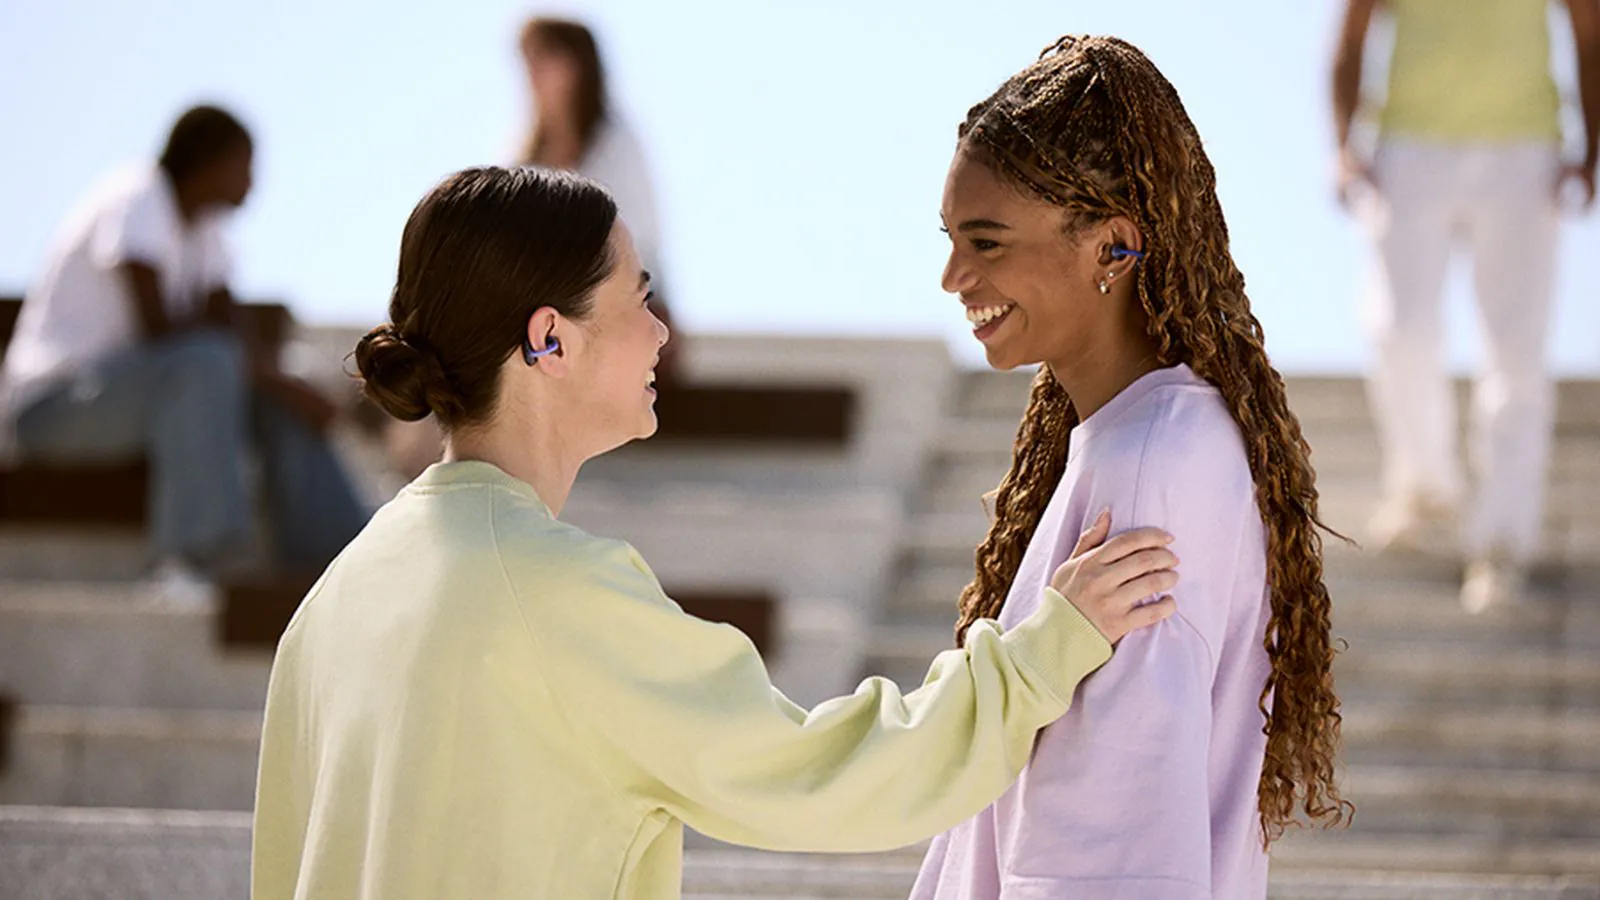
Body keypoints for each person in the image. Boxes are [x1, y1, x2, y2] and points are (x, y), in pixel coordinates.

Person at [250, 166, 1184, 900]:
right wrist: (1042, 653)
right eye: (639, 296)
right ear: (550, 340)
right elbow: (828, 776)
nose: (662, 334)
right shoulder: (556, 597)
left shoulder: (335, 601)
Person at [908, 36, 1350, 900]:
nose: (953, 275)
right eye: (954, 239)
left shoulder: (1151, 469)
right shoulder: (1139, 440)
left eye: (987, 243)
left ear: (1114, 248)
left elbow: (1109, 855)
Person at [0, 105, 367, 584]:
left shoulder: (206, 230)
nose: (252, 182)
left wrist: (288, 388)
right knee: (208, 364)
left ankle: (335, 562)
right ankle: (185, 561)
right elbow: (159, 331)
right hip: (51, 410)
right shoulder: (137, 196)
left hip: (134, 400)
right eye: (244, 165)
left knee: (274, 396)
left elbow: (236, 336)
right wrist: (274, 378)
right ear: (209, 161)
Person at [1332, 0, 1599, 612]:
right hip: (1409, 149)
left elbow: (1589, 35)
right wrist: (1345, 145)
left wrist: (1588, 154)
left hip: (1524, 152)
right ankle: (1425, 489)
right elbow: (1350, 35)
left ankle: (1502, 542)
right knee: (1398, 330)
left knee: (1515, 352)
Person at [386, 17, 676, 481]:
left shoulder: (618, 143)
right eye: (529, 60)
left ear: (582, 66)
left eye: (548, 58)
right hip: (530, 310)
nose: (535, 72)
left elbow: (630, 252)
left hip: (608, 303)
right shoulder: (522, 146)